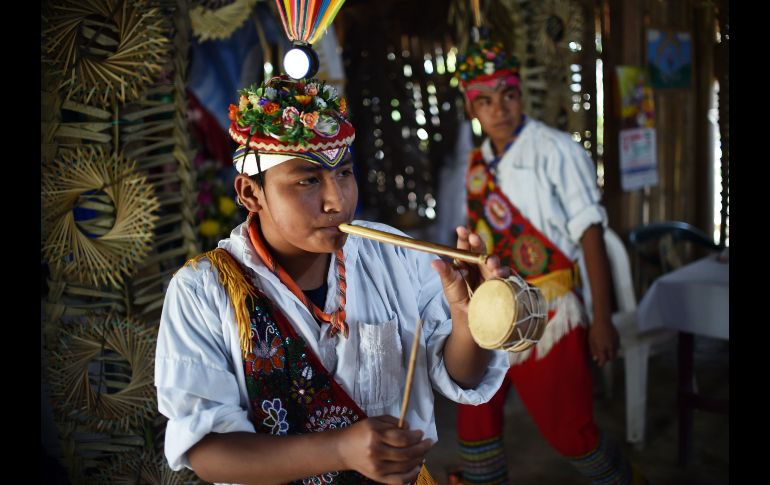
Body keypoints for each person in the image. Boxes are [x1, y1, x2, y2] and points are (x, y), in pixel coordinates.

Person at [155, 74, 512, 485]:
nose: (336, 201)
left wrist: (468, 319)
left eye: (343, 173)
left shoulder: (395, 255)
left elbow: (463, 376)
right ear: (251, 193)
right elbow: (207, 452)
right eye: (307, 180)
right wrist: (341, 449)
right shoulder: (203, 292)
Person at [451, 39, 646, 484]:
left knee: (570, 431)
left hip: (550, 307)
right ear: (472, 108)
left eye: (508, 95)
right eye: (485, 100)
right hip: (494, 304)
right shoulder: (478, 162)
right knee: (475, 415)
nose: (498, 109)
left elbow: (589, 234)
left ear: (521, 94)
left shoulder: (557, 150)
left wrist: (602, 318)